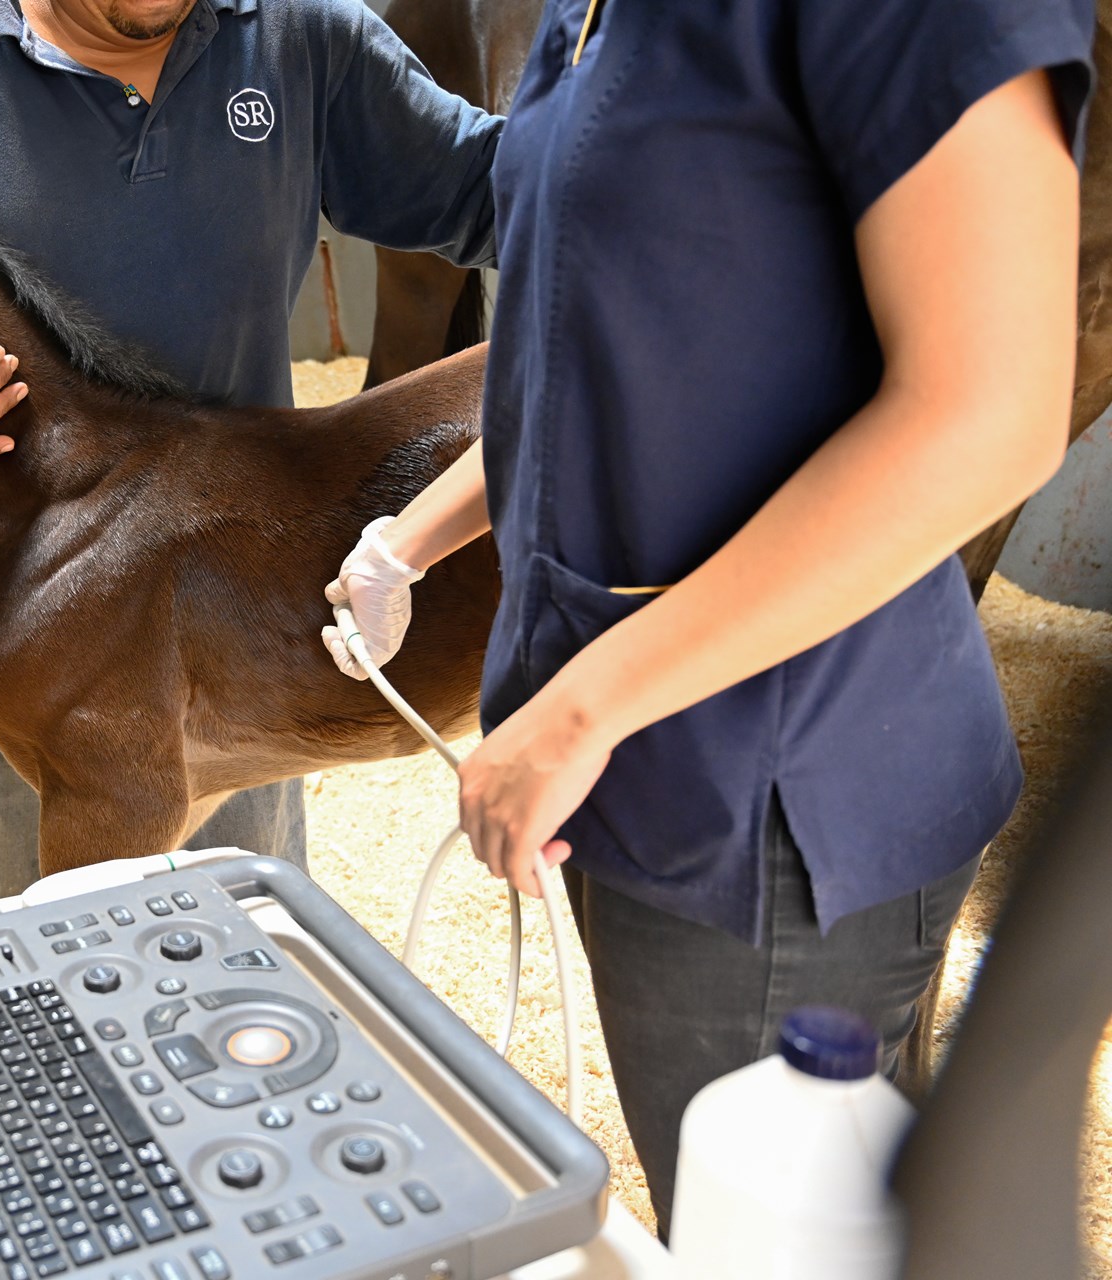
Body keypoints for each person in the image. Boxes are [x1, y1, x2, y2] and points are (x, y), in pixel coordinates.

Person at [324, 0, 1095, 1237]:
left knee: (769, 1235)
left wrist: (578, 711)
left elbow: (989, 416)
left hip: (771, 802)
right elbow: (584, 358)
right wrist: (406, 539)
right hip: (635, 772)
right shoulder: (589, 18)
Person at [0, 0, 505, 905]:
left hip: (242, 599)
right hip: (29, 605)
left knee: (242, 930)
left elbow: (486, 187)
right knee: (19, 932)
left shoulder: (293, 32)